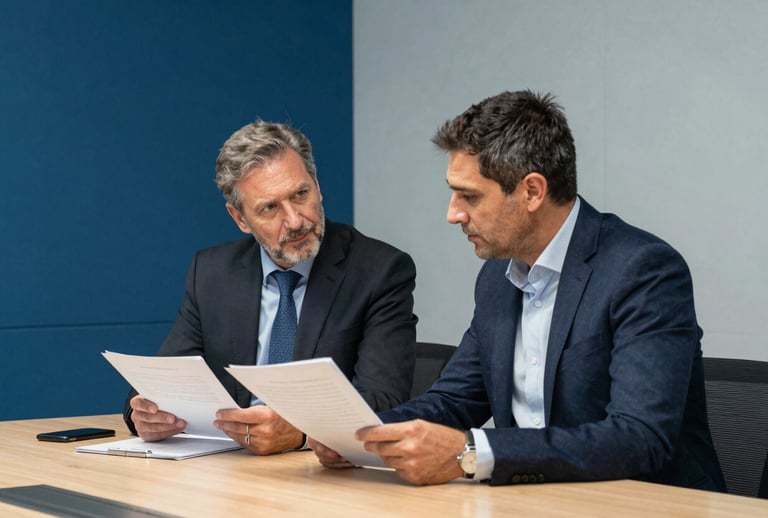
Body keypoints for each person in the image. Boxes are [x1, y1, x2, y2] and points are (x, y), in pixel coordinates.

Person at [311, 90, 726, 491]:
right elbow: (454, 401)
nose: (453, 214)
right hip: (538, 500)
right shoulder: (498, 277)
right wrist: (362, 436)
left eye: (469, 196)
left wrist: (472, 452)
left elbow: (639, 437)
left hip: (644, 504)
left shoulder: (643, 271)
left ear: (531, 191)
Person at [124, 121, 417, 455]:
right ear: (240, 218)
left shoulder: (379, 270)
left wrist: (301, 433)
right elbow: (164, 378)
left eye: (300, 195)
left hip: (322, 474)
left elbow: (385, 399)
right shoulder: (212, 272)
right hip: (230, 469)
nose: (295, 220)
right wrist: (144, 414)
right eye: (270, 208)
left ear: (317, 186)